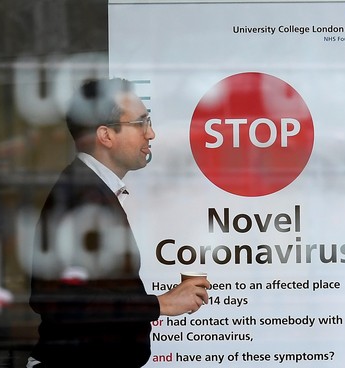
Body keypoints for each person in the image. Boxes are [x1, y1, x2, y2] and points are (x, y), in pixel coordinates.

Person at [27, 78, 210, 367]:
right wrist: (161, 303)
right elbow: (57, 300)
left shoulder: (90, 191)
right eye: (141, 123)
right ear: (106, 135)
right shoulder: (81, 197)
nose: (152, 134)